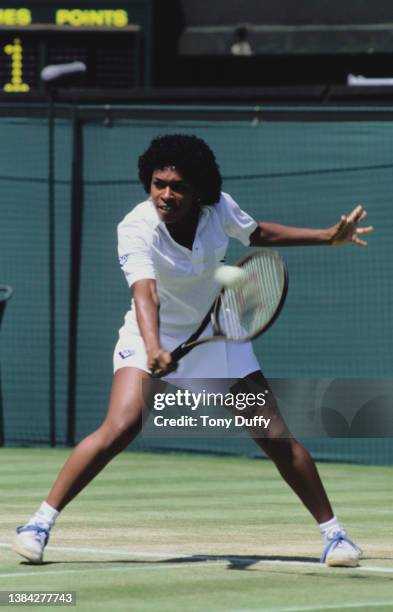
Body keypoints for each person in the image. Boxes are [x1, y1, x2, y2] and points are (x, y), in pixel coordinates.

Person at [13, 134, 373, 566]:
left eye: (178, 185)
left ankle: (334, 537)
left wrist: (327, 237)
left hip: (217, 332)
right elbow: (146, 295)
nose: (166, 194)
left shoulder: (218, 209)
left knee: (274, 435)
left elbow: (257, 233)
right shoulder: (135, 227)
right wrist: (153, 348)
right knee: (123, 423)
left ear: (199, 189)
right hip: (150, 335)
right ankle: (39, 523)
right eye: (158, 183)